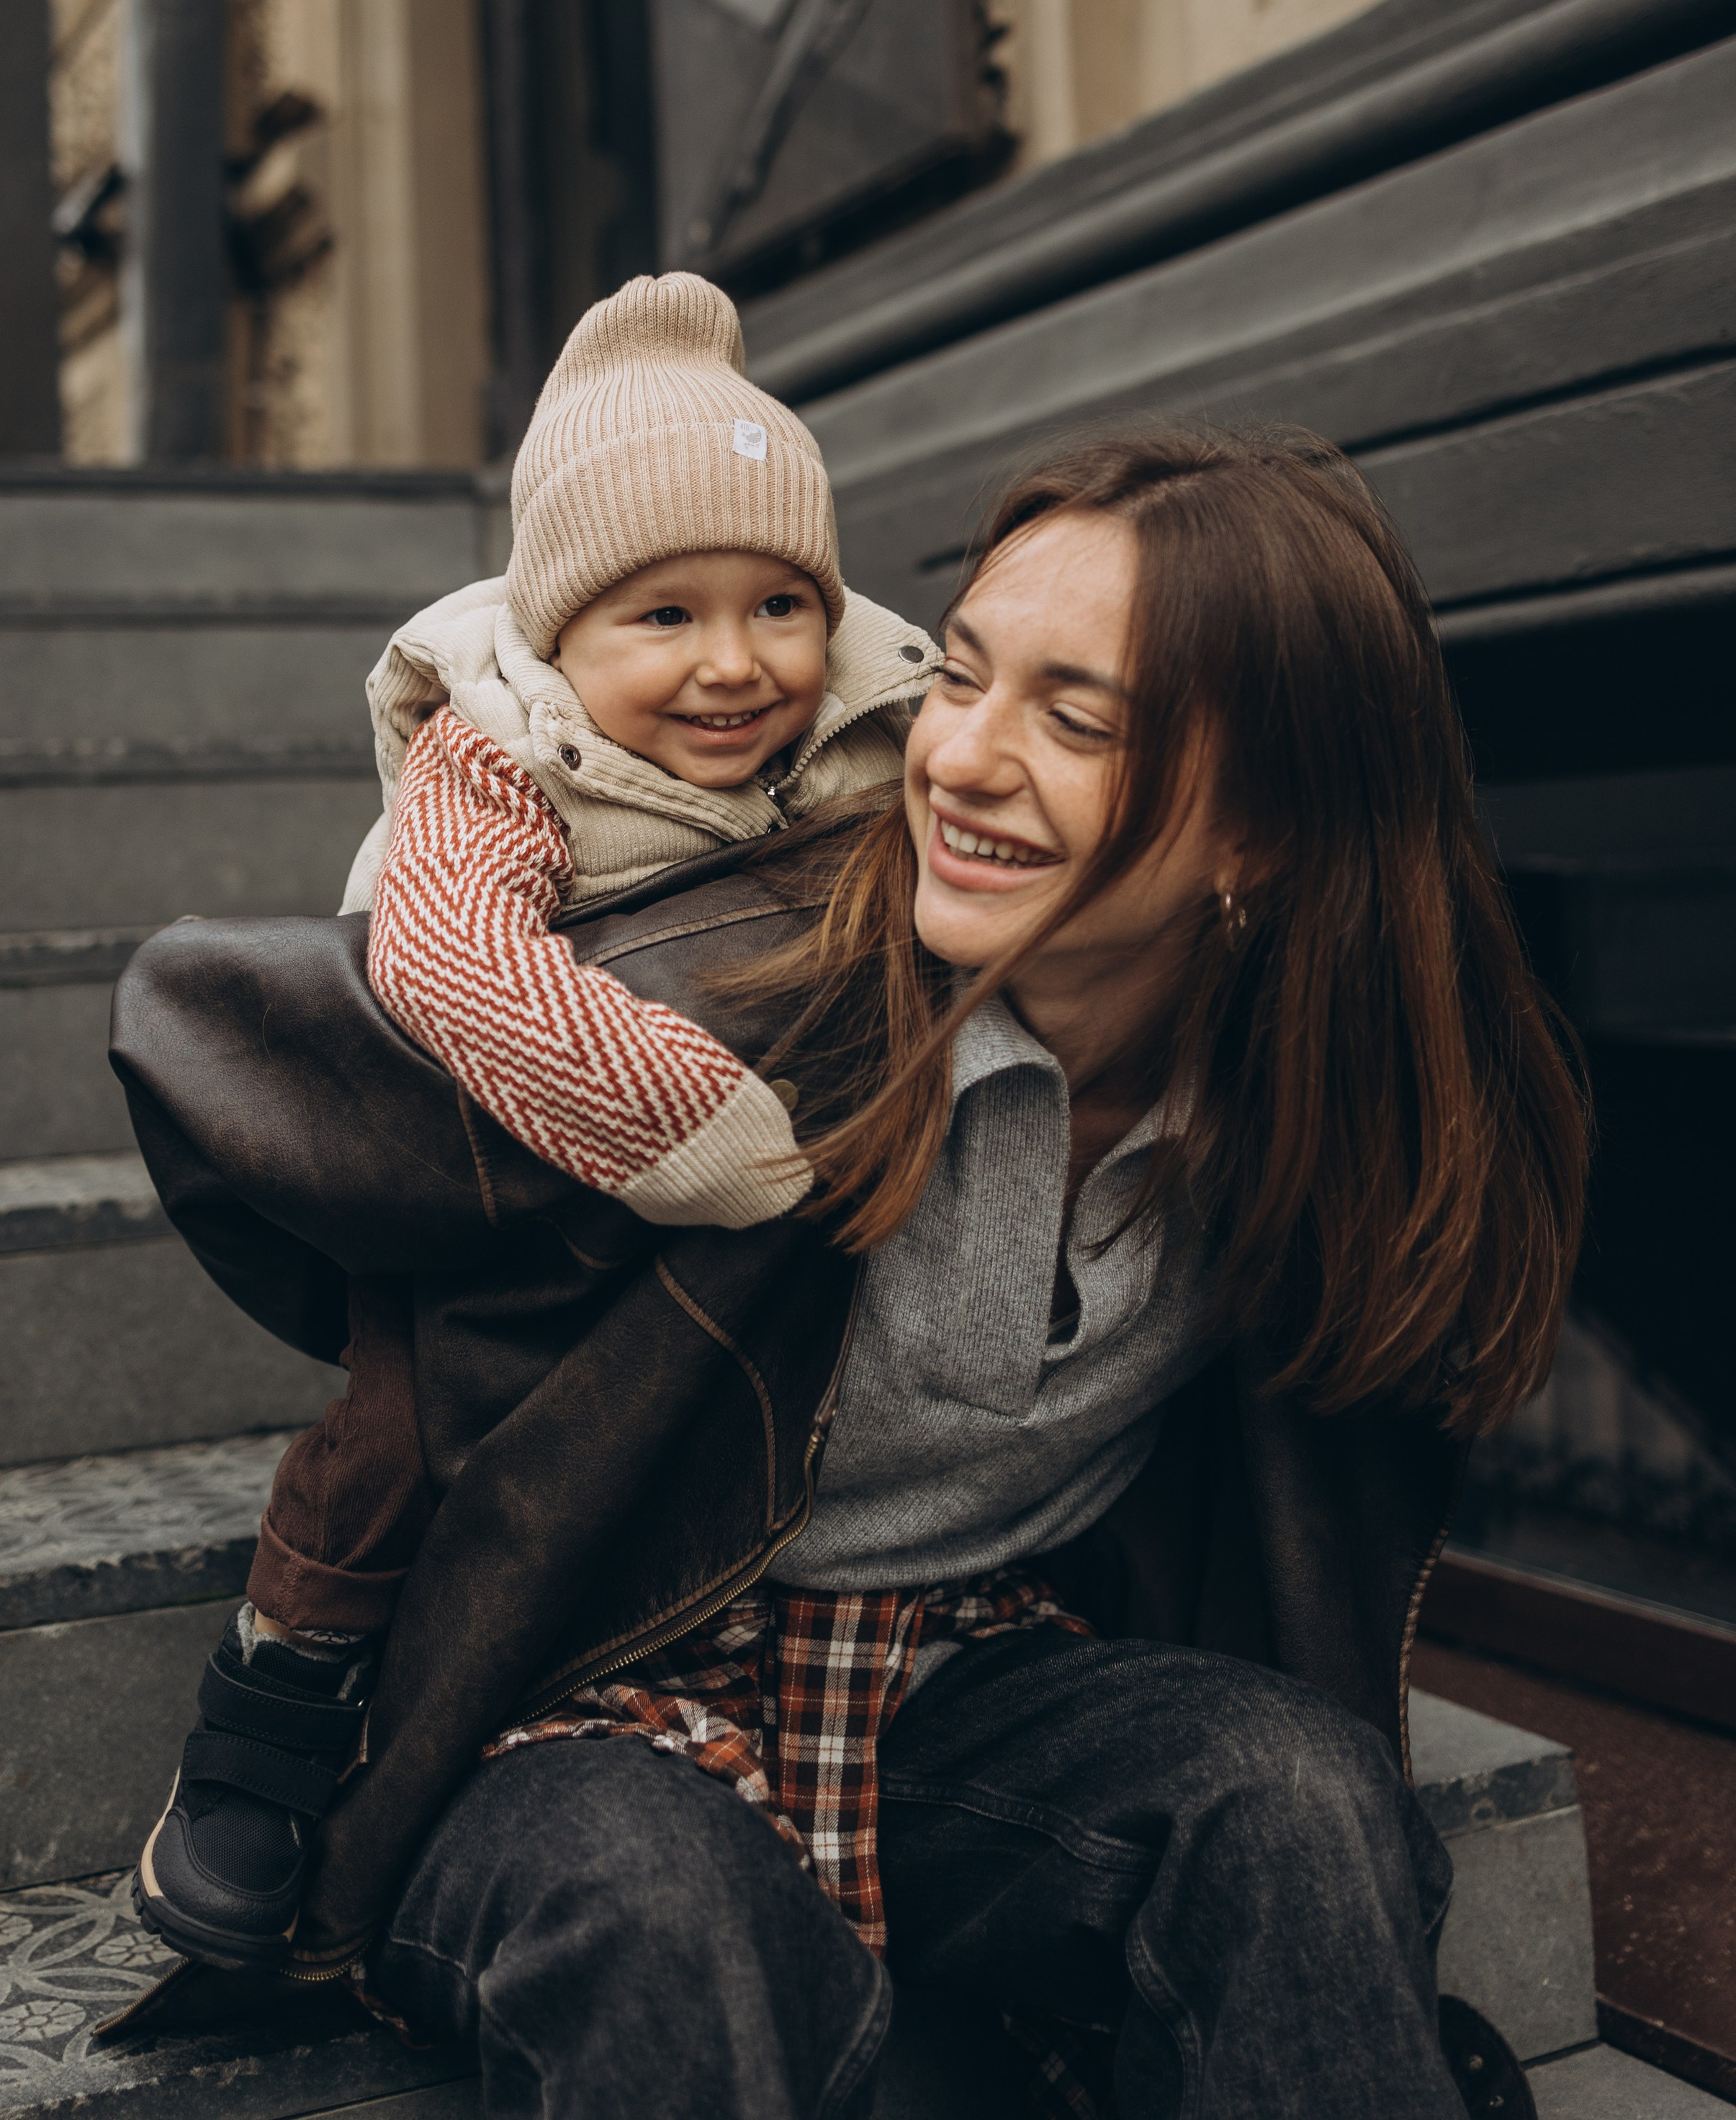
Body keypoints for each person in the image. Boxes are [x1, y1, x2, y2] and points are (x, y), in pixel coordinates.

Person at [112, 420, 1588, 2120]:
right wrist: (462, 1320)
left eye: (1073, 719)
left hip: (962, 1680)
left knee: (1293, 1794)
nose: (957, 757)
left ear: (1259, 830)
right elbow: (196, 1028)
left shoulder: (1312, 1117)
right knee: (654, 1912)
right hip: (582, 1704)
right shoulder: (748, 984)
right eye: (956, 678)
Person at [132, 271, 938, 1971]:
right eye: (663, 618)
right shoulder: (495, 752)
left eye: (782, 602)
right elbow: (451, 956)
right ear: (558, 631)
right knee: (388, 1432)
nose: (736, 665)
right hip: (482, 1144)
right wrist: (680, 1120)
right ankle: (280, 1700)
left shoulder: (876, 715)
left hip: (699, 1247)